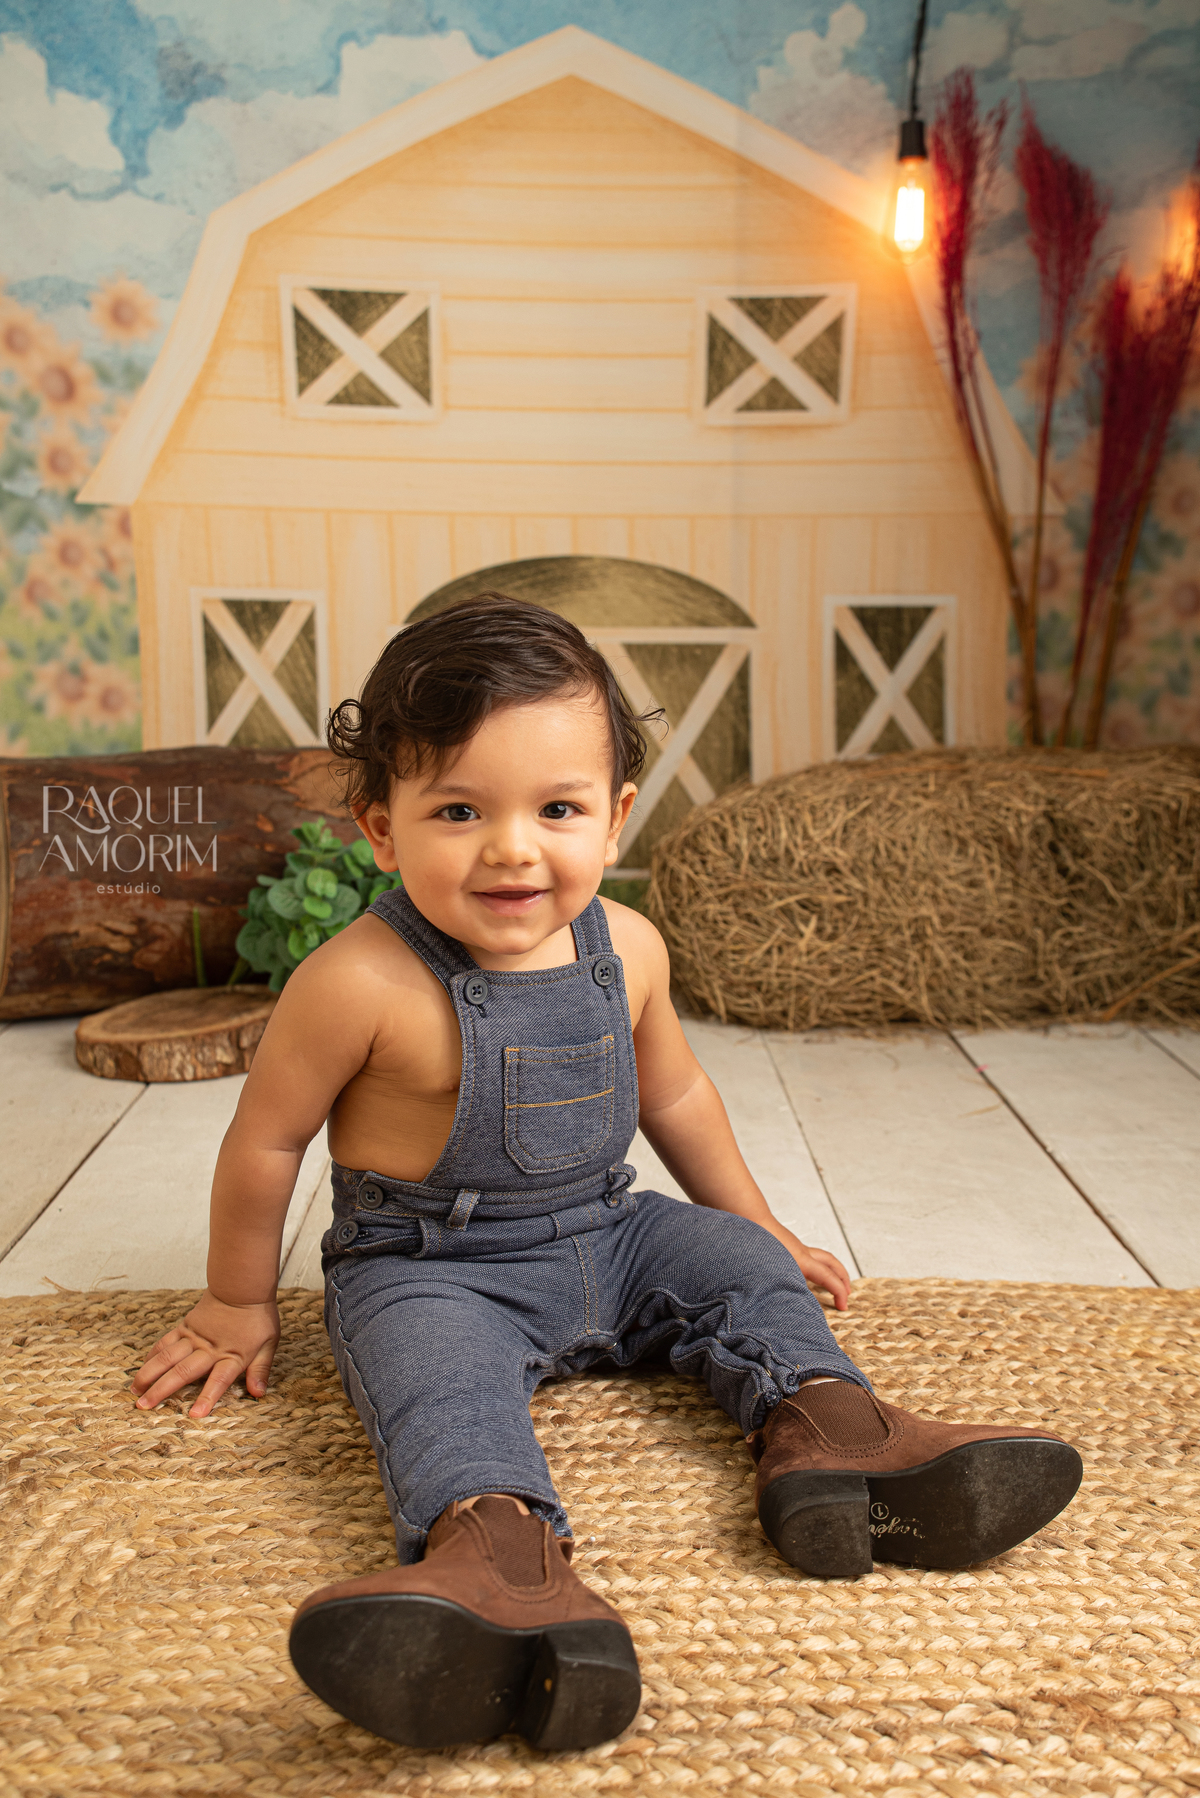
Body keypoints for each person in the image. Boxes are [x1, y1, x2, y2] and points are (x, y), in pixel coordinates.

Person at [132, 595, 1082, 1754]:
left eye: (558, 807)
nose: (512, 846)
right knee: (435, 1380)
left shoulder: (627, 947)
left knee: (736, 1266)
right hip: (435, 1265)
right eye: (460, 810)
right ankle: (498, 1559)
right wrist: (235, 1300)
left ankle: (834, 1432)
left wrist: (762, 1226)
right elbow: (267, 1141)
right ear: (381, 828)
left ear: (617, 816)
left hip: (612, 1233)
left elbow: (676, 1098)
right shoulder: (356, 981)